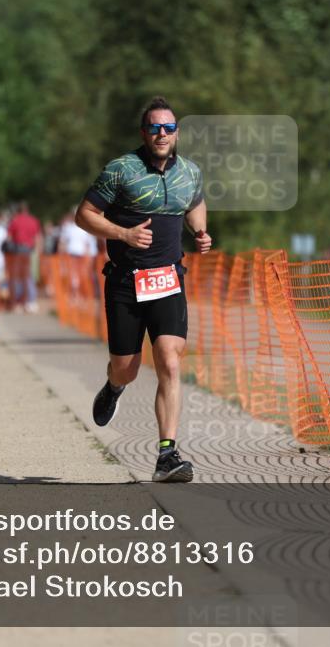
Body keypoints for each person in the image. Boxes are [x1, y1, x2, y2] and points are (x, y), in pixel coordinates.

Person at [75, 96, 212, 482]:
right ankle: (114, 386)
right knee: (127, 367)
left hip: (168, 279)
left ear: (177, 132)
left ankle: (167, 456)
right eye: (155, 127)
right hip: (124, 282)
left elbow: (195, 203)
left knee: (169, 359)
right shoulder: (121, 170)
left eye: (169, 128)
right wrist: (123, 233)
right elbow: (83, 214)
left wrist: (199, 232)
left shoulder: (189, 171)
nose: (162, 134)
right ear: (144, 132)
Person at [6, 202, 42, 313]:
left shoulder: (15, 221)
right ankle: (30, 302)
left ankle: (18, 302)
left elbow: (9, 238)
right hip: (30, 251)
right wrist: (37, 252)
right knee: (29, 276)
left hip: (17, 252)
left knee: (17, 277)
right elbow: (38, 238)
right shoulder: (34, 220)